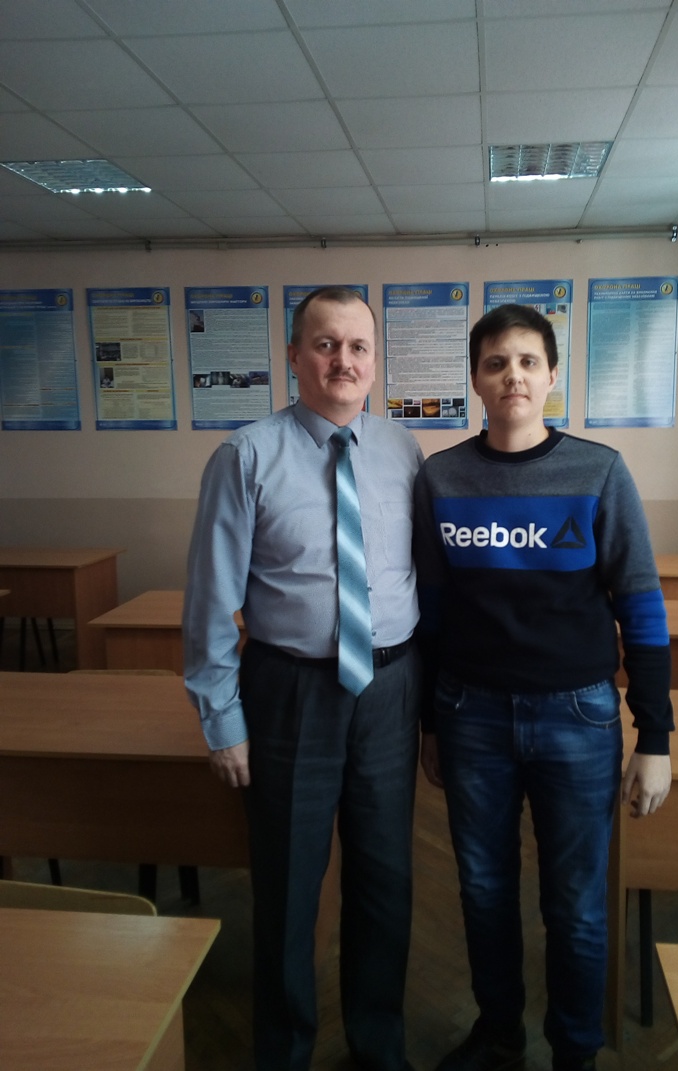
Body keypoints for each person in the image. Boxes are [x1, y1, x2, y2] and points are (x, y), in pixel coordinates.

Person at [413, 304, 673, 1071]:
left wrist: (653, 734)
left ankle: (574, 1051)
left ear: (552, 375)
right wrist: (430, 721)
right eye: (495, 362)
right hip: (470, 715)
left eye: (527, 361)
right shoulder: (441, 477)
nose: (512, 376)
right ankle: (499, 1034)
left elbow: (640, 604)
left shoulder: (599, 471)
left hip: (578, 717)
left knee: (576, 905)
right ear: (475, 379)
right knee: (483, 890)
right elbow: (431, 608)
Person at [183, 287, 423, 1071]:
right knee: (288, 886)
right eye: (324, 344)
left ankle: (377, 1045)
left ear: (374, 360)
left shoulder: (403, 450)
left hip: (388, 688)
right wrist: (223, 720)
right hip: (288, 692)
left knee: (385, 879)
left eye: (357, 346)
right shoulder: (245, 455)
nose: (342, 360)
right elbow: (211, 600)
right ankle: (283, 1051)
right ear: (294, 355)